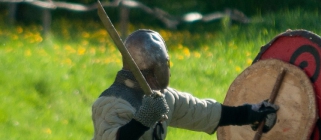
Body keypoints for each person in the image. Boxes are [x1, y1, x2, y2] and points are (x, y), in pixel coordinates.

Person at [91, 29, 279, 140]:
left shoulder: (162, 98)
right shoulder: (113, 102)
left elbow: (202, 112)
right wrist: (142, 121)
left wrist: (251, 113)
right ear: (156, 67)